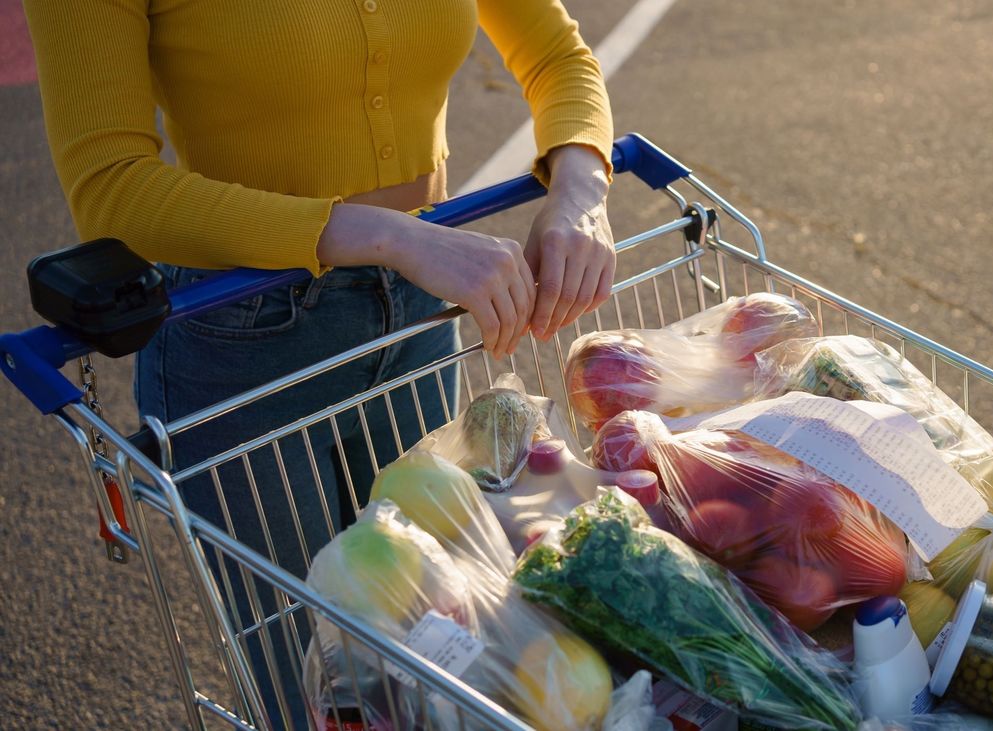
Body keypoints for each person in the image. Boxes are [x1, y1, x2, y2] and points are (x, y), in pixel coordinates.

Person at [23, 0, 614, 727]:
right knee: (316, 691)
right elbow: (110, 187)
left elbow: (556, 54)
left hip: (424, 303)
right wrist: (390, 238)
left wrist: (580, 191)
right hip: (247, 344)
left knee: (456, 652)